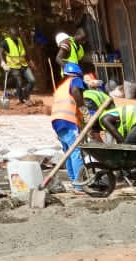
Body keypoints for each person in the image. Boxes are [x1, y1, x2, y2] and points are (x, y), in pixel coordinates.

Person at [49, 61, 88, 192]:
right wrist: (83, 109)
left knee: (68, 152)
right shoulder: (75, 80)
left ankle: (74, 182)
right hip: (68, 120)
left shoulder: (61, 86)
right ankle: (79, 185)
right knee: (76, 151)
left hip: (57, 121)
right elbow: (77, 91)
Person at [0, 25, 36, 103]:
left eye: (16, 35)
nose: (16, 37)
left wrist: (30, 61)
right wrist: (3, 63)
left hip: (23, 64)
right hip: (13, 66)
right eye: (14, 35)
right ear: (10, 35)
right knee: (19, 82)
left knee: (32, 80)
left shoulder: (20, 40)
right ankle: (21, 99)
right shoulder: (5, 42)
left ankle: (25, 94)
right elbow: (0, 53)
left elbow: (25, 52)